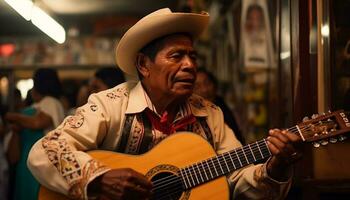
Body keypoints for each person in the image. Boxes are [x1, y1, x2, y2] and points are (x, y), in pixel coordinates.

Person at [27, 8, 301, 200]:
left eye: (193, 56)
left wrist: (273, 167)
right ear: (144, 65)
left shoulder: (210, 114)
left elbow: (236, 180)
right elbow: (45, 150)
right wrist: (99, 179)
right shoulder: (110, 104)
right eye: (177, 56)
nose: (190, 65)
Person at [5, 68, 65, 200]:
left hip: (40, 165)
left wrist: (12, 116)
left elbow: (37, 123)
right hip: (26, 164)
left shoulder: (51, 102)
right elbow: (12, 155)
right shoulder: (34, 108)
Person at [194, 68, 245, 144]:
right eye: (197, 87)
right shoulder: (189, 115)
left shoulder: (223, 109)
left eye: (207, 83)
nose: (205, 90)